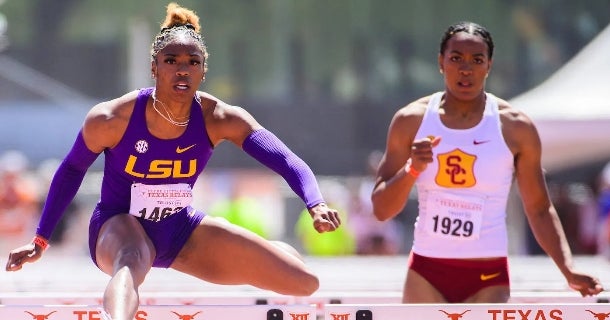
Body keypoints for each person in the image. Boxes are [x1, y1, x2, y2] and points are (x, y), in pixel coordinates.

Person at [5, 3, 341, 320]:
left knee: (303, 281)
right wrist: (41, 239)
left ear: (203, 71)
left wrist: (315, 203)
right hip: (117, 225)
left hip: (179, 230)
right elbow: (72, 169)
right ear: (154, 67)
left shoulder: (220, 118)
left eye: (192, 62)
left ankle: (277, 251)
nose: (182, 69)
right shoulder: (111, 118)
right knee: (132, 258)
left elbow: (284, 159)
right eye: (172, 60)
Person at [370, 21, 603, 303]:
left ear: (489, 66)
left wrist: (568, 269)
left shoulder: (516, 127)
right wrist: (412, 169)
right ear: (441, 62)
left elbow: (539, 208)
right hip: (426, 271)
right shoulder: (411, 121)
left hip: (487, 275)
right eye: (456, 58)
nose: (466, 69)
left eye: (476, 60)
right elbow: (382, 209)